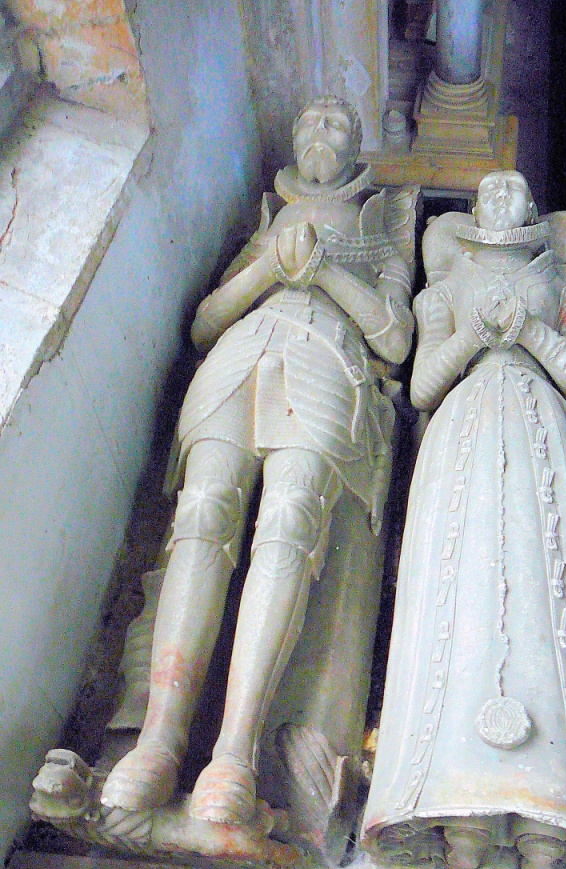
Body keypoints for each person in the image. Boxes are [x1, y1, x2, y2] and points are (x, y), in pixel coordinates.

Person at [100, 96, 415, 826]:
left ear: (359, 147)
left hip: (329, 366)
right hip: (243, 357)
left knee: (287, 526)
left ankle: (234, 754)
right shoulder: (268, 221)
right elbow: (208, 321)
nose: (317, 130)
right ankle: (158, 741)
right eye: (307, 120)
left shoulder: (381, 224)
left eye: (336, 122)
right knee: (202, 519)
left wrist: (327, 276)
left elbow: (395, 339)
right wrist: (270, 266)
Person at [361, 171, 566, 869]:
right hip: (464, 436)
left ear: (533, 209)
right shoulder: (444, 288)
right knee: (462, 594)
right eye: (491, 190)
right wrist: (475, 339)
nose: (504, 194)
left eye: (517, 188)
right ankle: (454, 805)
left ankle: (554, 810)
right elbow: (423, 388)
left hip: (546, 430)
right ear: (476, 211)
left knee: (553, 595)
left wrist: (532, 332)